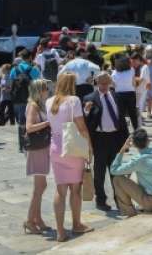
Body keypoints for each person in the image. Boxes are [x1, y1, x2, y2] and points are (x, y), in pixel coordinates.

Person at [46, 73, 93, 242]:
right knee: (75, 189)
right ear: (72, 84)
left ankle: (60, 231)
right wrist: (89, 148)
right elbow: (81, 128)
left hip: (55, 147)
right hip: (72, 147)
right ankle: (76, 224)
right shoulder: (74, 100)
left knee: (60, 189)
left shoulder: (49, 101)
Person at [83, 72, 128, 212]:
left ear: (110, 83)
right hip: (100, 139)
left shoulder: (116, 96)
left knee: (116, 172)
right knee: (100, 172)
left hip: (115, 138)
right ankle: (101, 200)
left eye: (106, 84)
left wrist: (125, 141)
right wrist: (86, 111)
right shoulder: (89, 98)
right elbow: (84, 122)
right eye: (101, 84)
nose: (103, 86)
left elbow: (122, 120)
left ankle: (120, 200)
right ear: (96, 83)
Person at [110, 128, 152, 217]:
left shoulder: (139, 160)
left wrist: (122, 150)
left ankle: (129, 213)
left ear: (133, 144)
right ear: (148, 140)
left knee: (117, 179)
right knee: (137, 173)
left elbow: (113, 170)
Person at [24, 79, 52, 234]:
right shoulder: (33, 105)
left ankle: (38, 218)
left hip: (41, 147)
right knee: (40, 186)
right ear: (39, 90)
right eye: (45, 88)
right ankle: (30, 220)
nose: (47, 90)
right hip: (37, 148)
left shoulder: (39, 105)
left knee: (41, 186)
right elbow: (29, 127)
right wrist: (47, 123)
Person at [10, 51, 39, 152]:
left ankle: (21, 145)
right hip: (30, 98)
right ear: (30, 57)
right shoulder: (33, 69)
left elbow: (11, 83)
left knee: (20, 122)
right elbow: (38, 84)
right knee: (30, 121)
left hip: (17, 99)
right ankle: (29, 142)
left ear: (21, 57)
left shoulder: (15, 69)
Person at [111, 52, 140, 130]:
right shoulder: (131, 70)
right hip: (130, 94)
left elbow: (113, 85)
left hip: (119, 95)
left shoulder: (114, 73)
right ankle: (136, 129)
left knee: (121, 115)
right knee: (133, 114)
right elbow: (134, 83)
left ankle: (123, 131)